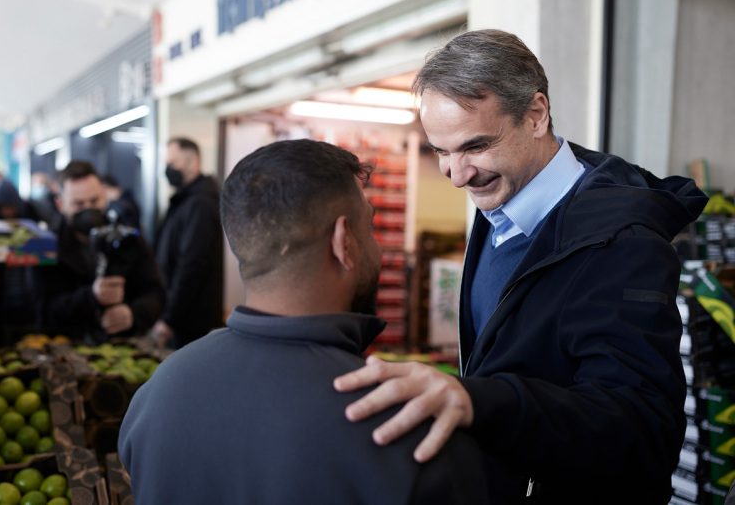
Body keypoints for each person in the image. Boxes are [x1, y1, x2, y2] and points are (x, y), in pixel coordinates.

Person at [332, 29, 708, 504]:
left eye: (475, 146)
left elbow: (643, 432)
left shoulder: (621, 243)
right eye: (441, 151)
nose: (456, 176)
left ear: (535, 115)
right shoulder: (501, 199)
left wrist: (479, 402)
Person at [119, 139, 489, 504]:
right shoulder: (404, 429)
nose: (376, 248)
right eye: (370, 227)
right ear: (343, 242)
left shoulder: (155, 395)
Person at [39, 160, 165, 344]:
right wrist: (91, 296)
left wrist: (133, 314)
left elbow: (155, 292)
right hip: (65, 346)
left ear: (104, 195)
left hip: (121, 346)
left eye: (94, 201)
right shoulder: (47, 246)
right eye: (79, 204)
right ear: (61, 204)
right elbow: (43, 310)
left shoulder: (128, 239)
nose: (89, 210)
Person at [151, 138, 224, 348]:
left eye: (173, 163)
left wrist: (170, 318)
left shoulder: (200, 203)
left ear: (192, 162)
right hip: (180, 314)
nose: (168, 169)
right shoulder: (183, 200)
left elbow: (192, 263)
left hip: (191, 320)